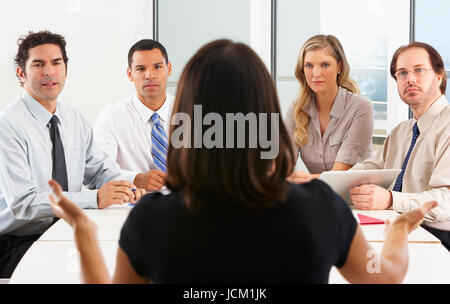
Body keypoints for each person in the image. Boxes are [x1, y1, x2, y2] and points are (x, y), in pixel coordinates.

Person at [49, 39, 437, 283]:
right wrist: (400, 231)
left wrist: (83, 232)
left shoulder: (152, 218)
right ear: (265, 115)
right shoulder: (320, 209)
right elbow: (384, 278)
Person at [0, 31, 147, 278]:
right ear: (21, 73)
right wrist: (93, 199)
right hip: (18, 240)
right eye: (39, 64)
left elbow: (100, 170)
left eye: (56, 63)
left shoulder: (73, 119)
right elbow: (23, 204)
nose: (49, 71)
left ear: (65, 69)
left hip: (65, 231)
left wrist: (127, 188)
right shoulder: (8, 126)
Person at [349, 41, 450, 251]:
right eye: (402, 73)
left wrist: (390, 199)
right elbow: (370, 169)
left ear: (439, 76)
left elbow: (447, 202)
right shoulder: (401, 132)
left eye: (419, 70)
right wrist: (323, 182)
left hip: (439, 237)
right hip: (400, 228)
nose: (410, 79)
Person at [285, 35, 373, 183]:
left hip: (360, 198)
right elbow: (283, 162)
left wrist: (303, 179)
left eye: (325, 65)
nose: (316, 73)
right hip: (320, 195)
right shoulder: (296, 109)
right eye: (309, 66)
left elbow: (341, 172)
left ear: (339, 67)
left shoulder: (361, 108)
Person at [94, 39, 174, 192]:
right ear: (130, 74)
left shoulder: (189, 111)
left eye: (157, 67)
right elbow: (99, 172)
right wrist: (136, 179)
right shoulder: (111, 116)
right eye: (141, 69)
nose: (149, 75)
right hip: (133, 208)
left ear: (168, 69)